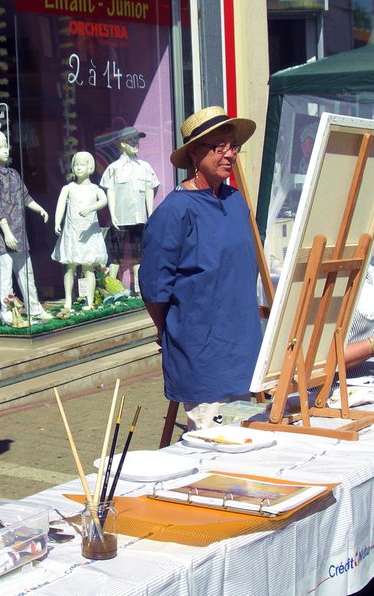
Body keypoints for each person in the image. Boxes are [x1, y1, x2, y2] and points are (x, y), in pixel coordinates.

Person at [139, 106, 262, 431]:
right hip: (203, 355)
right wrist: (177, 331)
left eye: (233, 146)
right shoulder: (174, 212)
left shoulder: (236, 201)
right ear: (195, 153)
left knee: (248, 450)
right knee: (214, 452)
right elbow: (154, 289)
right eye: (218, 146)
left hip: (244, 349)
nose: (229, 154)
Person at [0, 131, 53, 324]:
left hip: (19, 233)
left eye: (6, 145)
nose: (5, 150)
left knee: (26, 273)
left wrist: (40, 210)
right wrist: (6, 233)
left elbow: (25, 197)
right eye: (0, 147)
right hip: (3, 236)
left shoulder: (13, 174)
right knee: (4, 276)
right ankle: (7, 312)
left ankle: (35, 309)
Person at [99, 126, 159, 294]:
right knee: (115, 256)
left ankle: (140, 289)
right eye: (132, 140)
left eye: (137, 140)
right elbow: (109, 191)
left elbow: (149, 189)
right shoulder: (113, 168)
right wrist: (113, 215)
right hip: (119, 219)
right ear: (123, 143)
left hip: (140, 219)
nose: (136, 144)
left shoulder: (144, 167)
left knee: (138, 255)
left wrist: (150, 213)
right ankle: (111, 292)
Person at [52, 151, 108, 312]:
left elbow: (103, 201)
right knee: (70, 266)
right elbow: (60, 205)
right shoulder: (68, 188)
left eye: (82, 164)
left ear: (89, 166)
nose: (78, 167)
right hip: (72, 232)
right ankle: (68, 300)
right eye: (76, 164)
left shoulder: (95, 188)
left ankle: (89, 301)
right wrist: (57, 222)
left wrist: (91, 208)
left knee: (88, 266)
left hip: (89, 233)